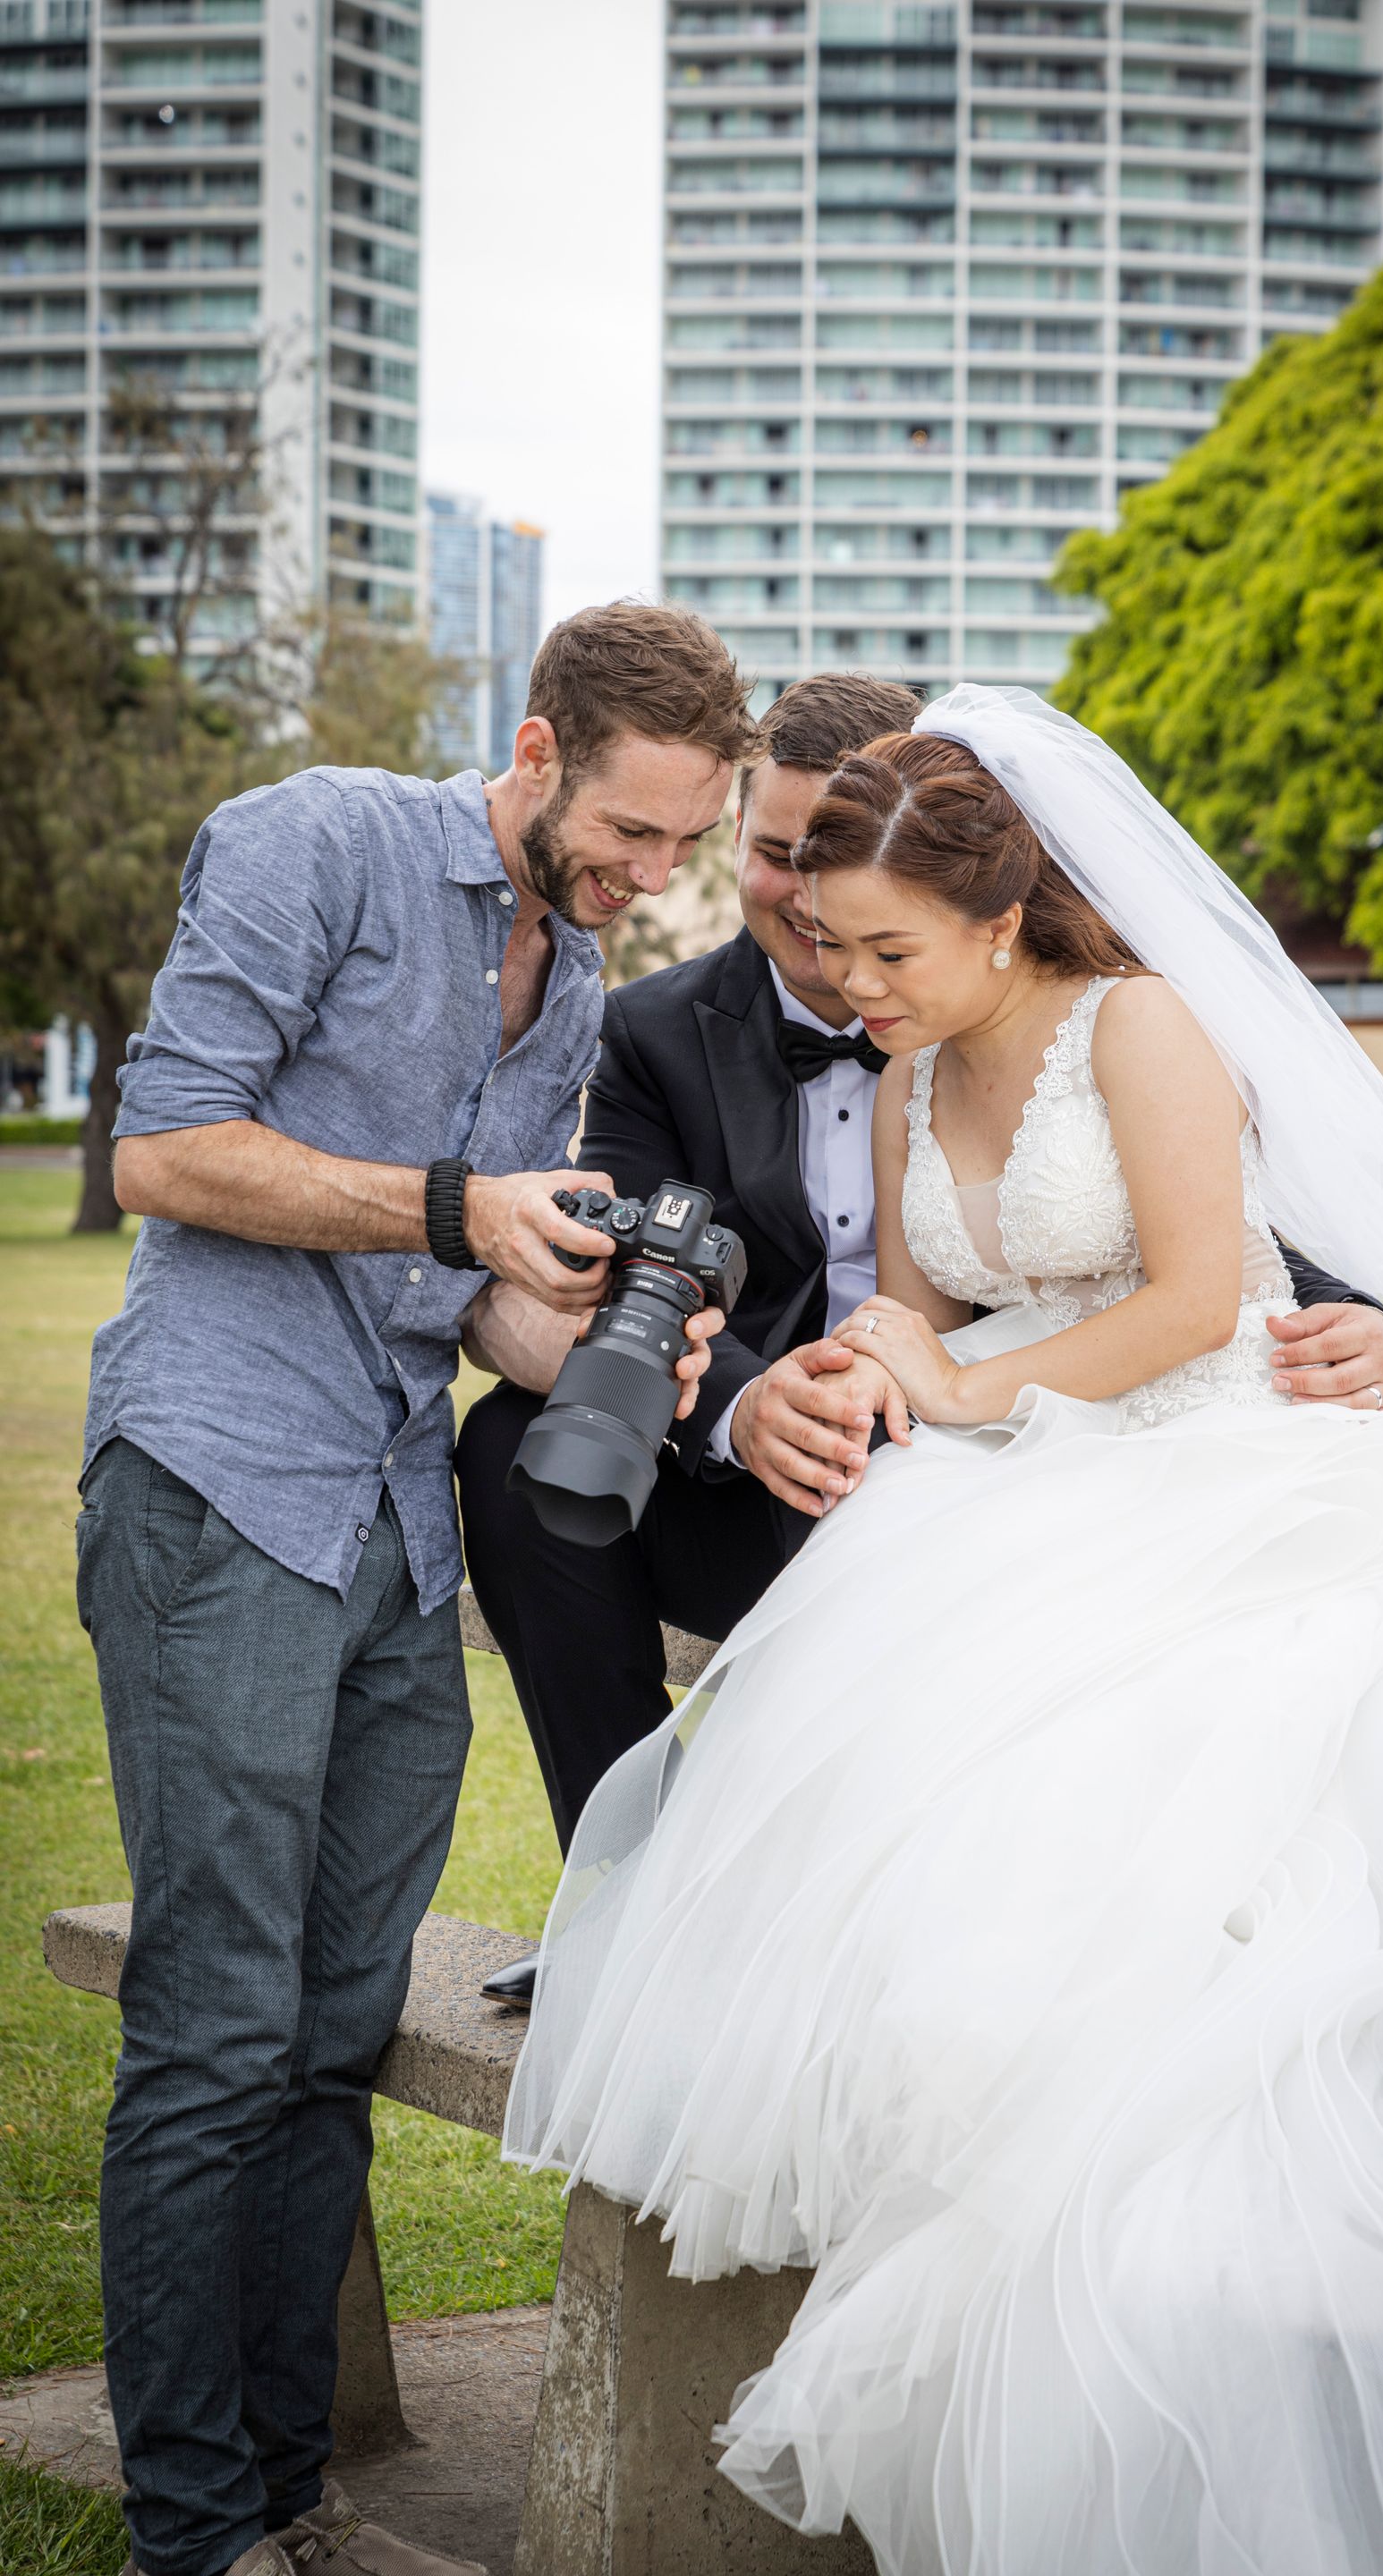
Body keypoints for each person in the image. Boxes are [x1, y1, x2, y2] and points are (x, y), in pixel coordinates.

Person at [504, 691, 1383, 2576]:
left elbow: (1200, 1297)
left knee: (1186, 1790)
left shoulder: (1142, 1022)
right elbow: (919, 1311)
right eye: (833, 950)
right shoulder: (897, 1075)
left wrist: (975, 1400)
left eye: (889, 952)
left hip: (1208, 1463)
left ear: (1003, 918)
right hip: (994, 1489)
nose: (856, 986)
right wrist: (889, 1372)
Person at [75, 603, 751, 2576]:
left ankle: (294, 2493)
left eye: (678, 850)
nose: (645, 882)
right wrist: (464, 1209)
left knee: (334, 2027)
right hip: (220, 1481)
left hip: (390, 1513)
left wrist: (607, 1351)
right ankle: (192, 2531)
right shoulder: (318, 842)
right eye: (627, 835)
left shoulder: (570, 971)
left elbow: (444, 1284)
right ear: (538, 751)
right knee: (213, 2031)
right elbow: (166, 1151)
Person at [456, 674, 1383, 2005]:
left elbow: (1217, 1246)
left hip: (992, 1439)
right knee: (515, 1446)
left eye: (849, 898)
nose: (808, 911)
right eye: (777, 856)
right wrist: (745, 1406)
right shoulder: (659, 1034)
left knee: (930, 1558)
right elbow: (632, 1274)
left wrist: (1377, 1334)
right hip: (805, 1438)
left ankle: (840, 1937)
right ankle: (626, 1899)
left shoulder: (1121, 1019)